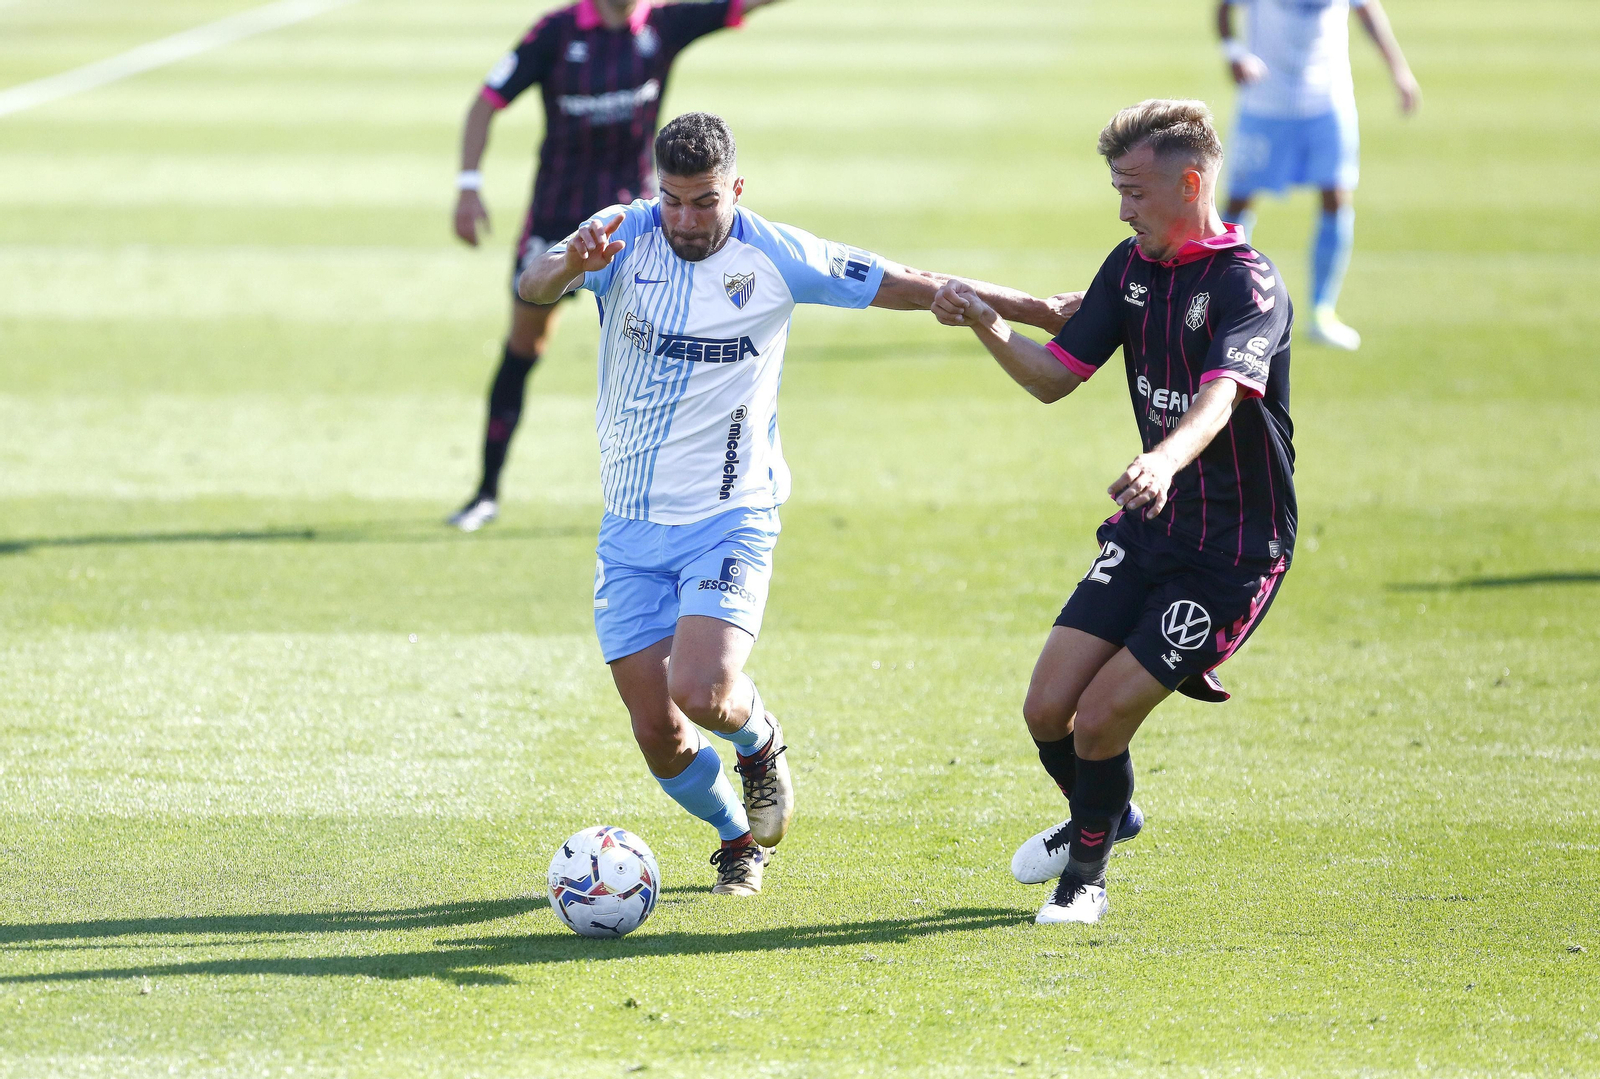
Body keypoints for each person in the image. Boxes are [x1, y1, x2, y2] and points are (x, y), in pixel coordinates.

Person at [520, 112, 1077, 895]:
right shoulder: (618, 235)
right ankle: (737, 838)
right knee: (659, 731)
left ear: (736, 190)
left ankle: (759, 740)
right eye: (673, 200)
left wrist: (1037, 311)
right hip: (632, 525)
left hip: (730, 513)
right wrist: (565, 266)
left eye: (704, 202)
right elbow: (531, 285)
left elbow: (913, 281)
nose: (684, 219)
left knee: (703, 690)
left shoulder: (777, 255)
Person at [932, 100, 1296, 925]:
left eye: (1134, 190)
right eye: (1117, 190)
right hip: (1151, 526)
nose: (1123, 207)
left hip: (1231, 550)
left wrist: (1163, 458)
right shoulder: (1133, 266)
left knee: (1099, 718)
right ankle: (1108, 811)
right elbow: (1057, 374)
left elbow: (1220, 398)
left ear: (1190, 182)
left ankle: (1085, 877)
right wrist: (988, 325)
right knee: (1047, 709)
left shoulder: (1249, 285)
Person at [448, 0, 784, 532]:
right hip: (558, 221)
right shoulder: (555, 34)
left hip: (642, 230)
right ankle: (486, 493)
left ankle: (673, 498)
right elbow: (485, 103)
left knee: (666, 351)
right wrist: (468, 187)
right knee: (524, 347)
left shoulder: (663, 23)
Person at [1217, 0, 1419, 350]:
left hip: (1327, 101)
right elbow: (1223, 9)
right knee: (1239, 198)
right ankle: (1219, 301)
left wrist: (1399, 70)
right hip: (1265, 102)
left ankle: (1323, 312)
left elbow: (1367, 10)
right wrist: (1234, 52)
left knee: (1336, 196)